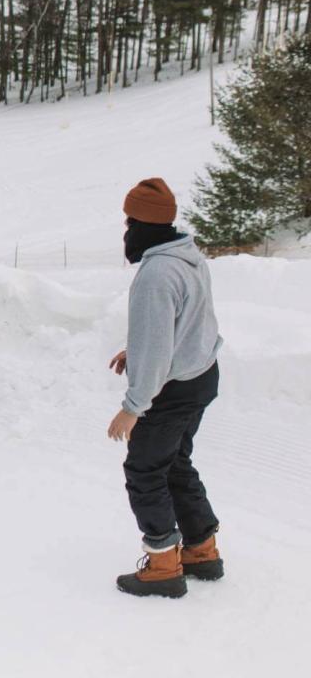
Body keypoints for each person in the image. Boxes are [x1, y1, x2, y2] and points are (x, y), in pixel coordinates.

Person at [108, 178, 225, 599]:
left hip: (172, 389)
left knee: (144, 470)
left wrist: (133, 406)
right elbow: (184, 322)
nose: (126, 229)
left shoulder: (156, 273)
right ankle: (201, 550)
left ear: (145, 223)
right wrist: (134, 348)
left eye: (130, 220)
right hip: (200, 375)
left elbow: (157, 346)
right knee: (175, 463)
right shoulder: (187, 256)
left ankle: (162, 565)